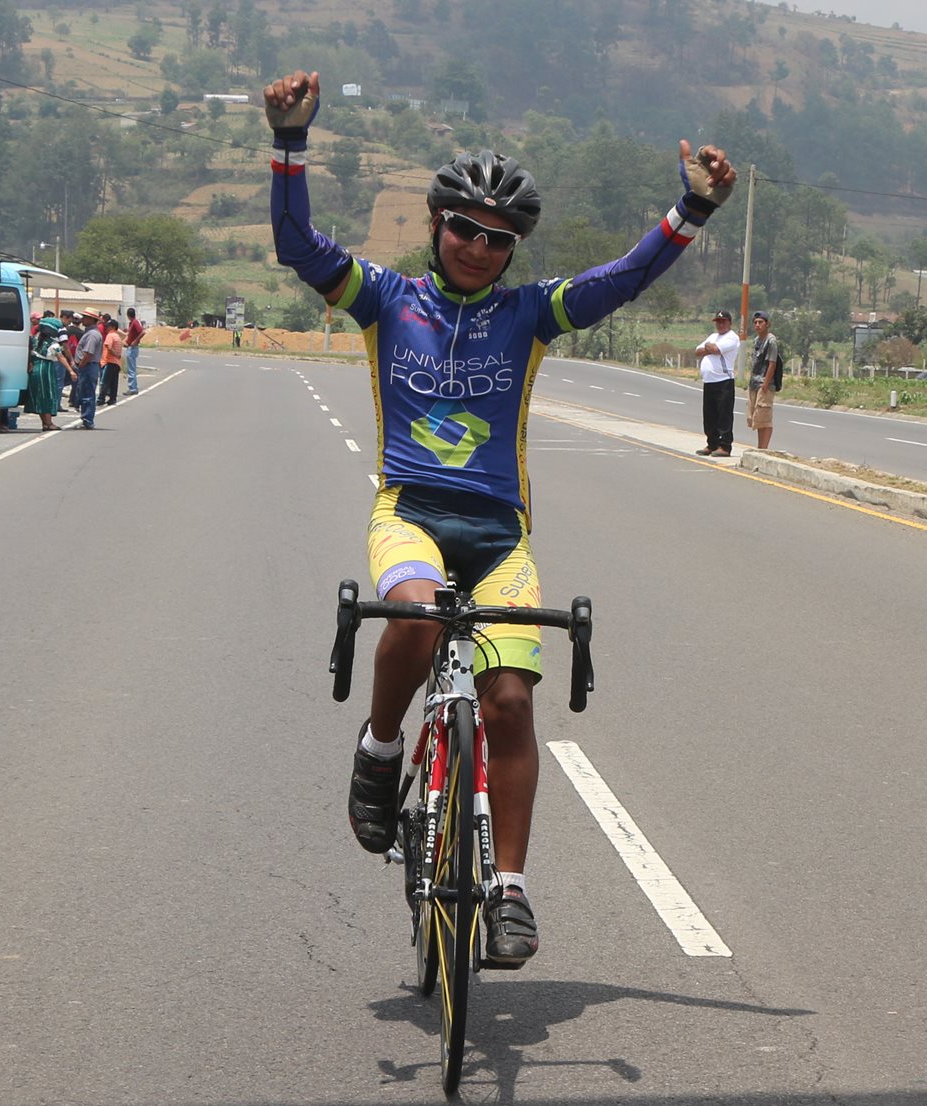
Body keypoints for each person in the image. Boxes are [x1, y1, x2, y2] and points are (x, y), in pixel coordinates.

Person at [265, 68, 736, 965]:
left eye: (500, 239)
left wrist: (693, 209)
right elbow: (296, 245)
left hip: (499, 533)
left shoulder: (529, 314)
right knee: (412, 615)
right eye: (465, 230)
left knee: (512, 700)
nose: (480, 248)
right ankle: (380, 749)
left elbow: (623, 279)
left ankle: (509, 888)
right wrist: (290, 143)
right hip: (411, 512)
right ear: (436, 225)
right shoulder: (383, 300)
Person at [695, 308, 740, 457]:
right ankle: (712, 443)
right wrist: (710, 348)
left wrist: (709, 347)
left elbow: (715, 349)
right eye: (718, 322)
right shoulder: (713, 336)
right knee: (709, 415)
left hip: (723, 381)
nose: (720, 325)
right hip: (709, 381)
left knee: (724, 415)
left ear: (729, 323)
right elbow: (697, 351)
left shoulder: (732, 337)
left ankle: (725, 446)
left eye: (723, 322)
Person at [24, 316, 72, 431]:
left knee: (39, 396)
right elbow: (61, 357)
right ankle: (49, 423)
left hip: (34, 369)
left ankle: (45, 423)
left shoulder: (34, 340)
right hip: (45, 369)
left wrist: (29, 364)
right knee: (48, 396)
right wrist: (71, 370)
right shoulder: (53, 344)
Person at [747, 310, 779, 450]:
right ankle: (760, 447)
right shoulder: (756, 340)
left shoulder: (771, 341)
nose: (757, 325)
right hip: (754, 382)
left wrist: (765, 384)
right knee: (757, 418)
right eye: (755, 322)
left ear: (767, 324)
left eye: (760, 322)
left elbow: (772, 363)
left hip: (765, 383)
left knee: (764, 416)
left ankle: (763, 448)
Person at [72, 310, 103, 429]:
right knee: (85, 391)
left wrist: (81, 365)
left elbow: (88, 353)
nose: (83, 319)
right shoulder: (90, 333)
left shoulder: (92, 334)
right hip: (88, 366)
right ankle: (86, 418)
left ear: (91, 319)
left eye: (85, 317)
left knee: (87, 393)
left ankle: (87, 420)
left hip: (88, 366)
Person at [98, 320, 123, 407]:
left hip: (109, 362)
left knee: (104, 382)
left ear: (113, 327)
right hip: (117, 363)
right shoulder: (118, 336)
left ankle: (101, 399)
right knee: (113, 382)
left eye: (108, 326)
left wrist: (115, 354)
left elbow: (108, 346)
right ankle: (113, 398)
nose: (106, 328)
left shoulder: (110, 335)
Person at [124, 307, 143, 394]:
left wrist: (135, 341)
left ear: (128, 315)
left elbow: (142, 332)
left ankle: (133, 388)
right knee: (131, 368)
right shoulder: (131, 323)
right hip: (130, 347)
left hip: (132, 348)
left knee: (131, 369)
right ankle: (133, 387)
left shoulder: (135, 322)